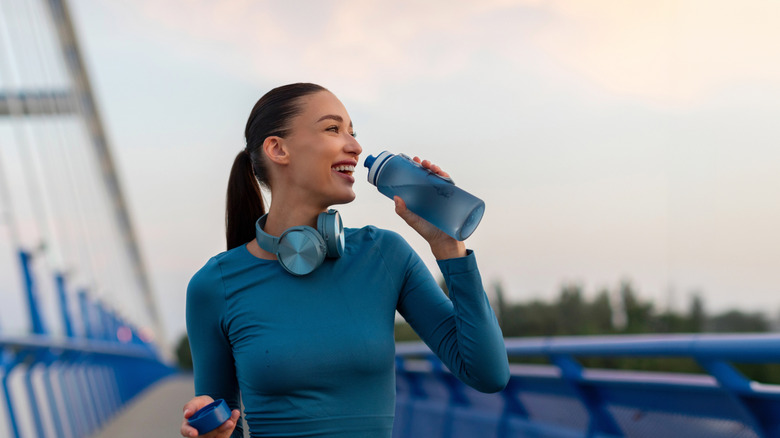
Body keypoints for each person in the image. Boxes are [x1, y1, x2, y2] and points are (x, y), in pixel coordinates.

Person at [180, 83, 509, 438]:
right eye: (333, 129)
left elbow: (489, 375)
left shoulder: (385, 254)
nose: (354, 146)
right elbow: (220, 423)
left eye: (353, 132)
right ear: (278, 149)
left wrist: (448, 246)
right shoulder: (215, 285)